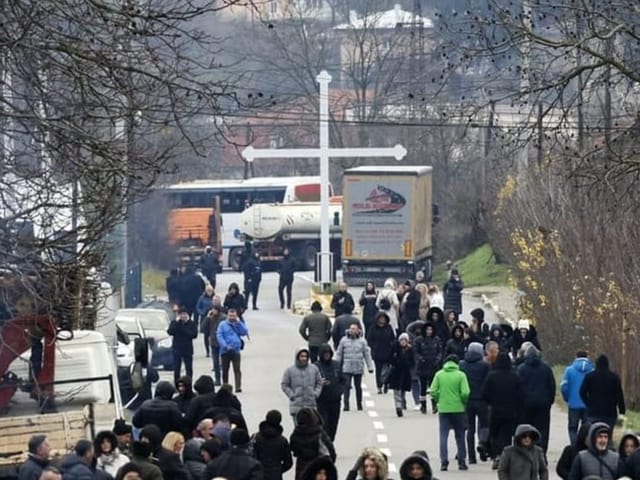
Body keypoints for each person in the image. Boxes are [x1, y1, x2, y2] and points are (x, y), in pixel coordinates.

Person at [482, 353, 523, 470]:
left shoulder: (491, 376)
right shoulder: (514, 377)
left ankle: (497, 456)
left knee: (494, 435)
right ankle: (507, 459)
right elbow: (521, 395)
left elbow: (484, 394)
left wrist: (491, 402)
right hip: (510, 411)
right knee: (507, 436)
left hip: (495, 410)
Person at [430, 354, 470, 471]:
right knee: (460, 435)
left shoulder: (439, 374)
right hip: (458, 409)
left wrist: (439, 399)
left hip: (444, 408)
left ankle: (444, 462)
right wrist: (463, 402)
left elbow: (433, 390)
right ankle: (461, 461)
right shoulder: (461, 375)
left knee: (443, 436)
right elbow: (465, 392)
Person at [517, 345, 556, 453]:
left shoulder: (521, 369)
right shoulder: (546, 368)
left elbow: (518, 387)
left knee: (526, 428)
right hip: (543, 403)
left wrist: (520, 401)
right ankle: (541, 452)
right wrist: (550, 400)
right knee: (543, 429)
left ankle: (526, 450)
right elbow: (551, 386)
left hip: (526, 404)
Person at [579, 354, 625, 438]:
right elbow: (619, 395)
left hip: (594, 412)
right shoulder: (614, 377)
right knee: (607, 435)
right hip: (610, 413)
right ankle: (606, 449)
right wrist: (622, 410)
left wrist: (588, 403)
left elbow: (582, 392)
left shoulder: (590, 376)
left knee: (594, 435)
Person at [459, 342, 490, 464]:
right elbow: (488, 382)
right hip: (482, 400)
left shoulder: (462, 364)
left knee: (470, 429)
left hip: (467, 401)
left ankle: (471, 457)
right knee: (484, 425)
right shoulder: (485, 365)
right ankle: (482, 443)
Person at [335, 323, 374, 412]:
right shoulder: (344, 340)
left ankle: (359, 403)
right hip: (347, 367)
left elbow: (367, 354)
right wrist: (336, 365)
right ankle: (346, 404)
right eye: (351, 329)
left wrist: (370, 367)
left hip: (358, 367)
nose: (353, 330)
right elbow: (339, 353)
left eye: (355, 329)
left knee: (358, 386)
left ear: (358, 330)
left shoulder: (362, 341)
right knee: (347, 386)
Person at [289, 408, 336, 480]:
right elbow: (330, 449)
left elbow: (294, 449)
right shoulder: (320, 434)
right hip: (317, 467)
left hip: (301, 466)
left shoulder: (295, 434)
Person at [281, 348, 324, 424]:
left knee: (311, 430)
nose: (304, 358)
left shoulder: (314, 369)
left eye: (305, 356)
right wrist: (291, 395)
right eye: (301, 356)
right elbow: (284, 384)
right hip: (297, 406)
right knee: (299, 430)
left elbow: (319, 382)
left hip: (311, 406)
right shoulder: (289, 371)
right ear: (297, 357)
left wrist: (316, 393)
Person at [561, 350, 594, 445]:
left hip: (573, 404)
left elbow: (564, 387)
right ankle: (585, 447)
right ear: (587, 357)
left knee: (572, 428)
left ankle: (574, 447)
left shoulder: (569, 370)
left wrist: (567, 398)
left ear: (576, 357)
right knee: (587, 428)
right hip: (588, 405)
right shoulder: (592, 371)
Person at [314, 344, 344, 441]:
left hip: (335, 400)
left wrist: (340, 391)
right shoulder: (316, 366)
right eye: (325, 354)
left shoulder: (336, 365)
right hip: (322, 400)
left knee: (333, 424)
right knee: (324, 424)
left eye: (328, 353)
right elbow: (311, 382)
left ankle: (330, 442)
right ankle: (325, 444)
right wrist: (320, 384)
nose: (327, 355)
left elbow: (343, 380)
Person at [251, 410, 293, 480]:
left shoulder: (255, 437)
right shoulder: (283, 441)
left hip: (258, 474)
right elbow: (288, 462)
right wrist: (279, 470)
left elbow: (250, 456)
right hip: (275, 475)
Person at [217, 307, 249, 392]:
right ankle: (225, 386)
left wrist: (239, 323)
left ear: (236, 316)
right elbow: (219, 336)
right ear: (227, 315)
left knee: (237, 369)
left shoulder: (238, 324)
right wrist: (225, 346)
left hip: (236, 350)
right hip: (225, 350)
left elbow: (245, 332)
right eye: (230, 316)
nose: (232, 318)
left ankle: (238, 386)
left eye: (233, 316)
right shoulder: (222, 325)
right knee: (225, 370)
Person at [413, 321, 442, 414]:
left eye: (430, 329)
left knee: (433, 387)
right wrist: (421, 359)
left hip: (433, 366)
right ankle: (423, 404)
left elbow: (440, 351)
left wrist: (437, 360)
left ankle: (434, 404)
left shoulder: (436, 340)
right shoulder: (419, 340)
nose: (429, 331)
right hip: (423, 366)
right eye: (427, 329)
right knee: (423, 387)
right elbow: (416, 352)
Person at [366, 312, 396, 394]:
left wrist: (392, 348)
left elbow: (393, 339)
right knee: (378, 371)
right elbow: (369, 339)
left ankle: (386, 384)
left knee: (387, 370)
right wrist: (374, 346)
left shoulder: (388, 328)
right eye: (380, 318)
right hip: (377, 353)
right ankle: (379, 386)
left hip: (388, 352)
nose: (382, 320)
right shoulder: (373, 328)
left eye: (384, 318)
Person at [167, 307, 198, 383]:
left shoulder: (191, 323)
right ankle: (177, 384)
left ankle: (189, 383)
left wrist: (183, 328)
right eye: (181, 314)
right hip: (177, 349)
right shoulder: (175, 323)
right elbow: (170, 332)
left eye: (184, 314)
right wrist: (176, 323)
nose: (183, 316)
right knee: (177, 368)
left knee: (189, 368)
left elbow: (194, 335)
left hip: (187, 349)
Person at [388, 333, 415, 417]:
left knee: (403, 390)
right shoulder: (395, 348)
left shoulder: (410, 350)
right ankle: (398, 407)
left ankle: (403, 401)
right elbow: (390, 358)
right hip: (396, 372)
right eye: (402, 340)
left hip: (406, 373)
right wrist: (395, 362)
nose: (403, 342)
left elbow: (413, 361)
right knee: (397, 391)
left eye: (405, 340)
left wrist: (408, 364)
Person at [207, 304, 226, 385]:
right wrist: (207, 317)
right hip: (213, 343)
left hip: (222, 343)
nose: (213, 311)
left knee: (224, 363)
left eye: (214, 310)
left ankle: (225, 380)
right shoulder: (210, 318)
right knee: (215, 363)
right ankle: (217, 379)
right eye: (212, 310)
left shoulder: (223, 318)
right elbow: (202, 328)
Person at [196, 285, 215, 357]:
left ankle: (213, 349)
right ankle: (207, 351)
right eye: (208, 291)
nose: (209, 292)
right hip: (204, 318)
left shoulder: (214, 298)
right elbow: (198, 308)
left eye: (211, 291)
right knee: (206, 336)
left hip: (213, 318)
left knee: (213, 335)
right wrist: (202, 312)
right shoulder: (202, 298)